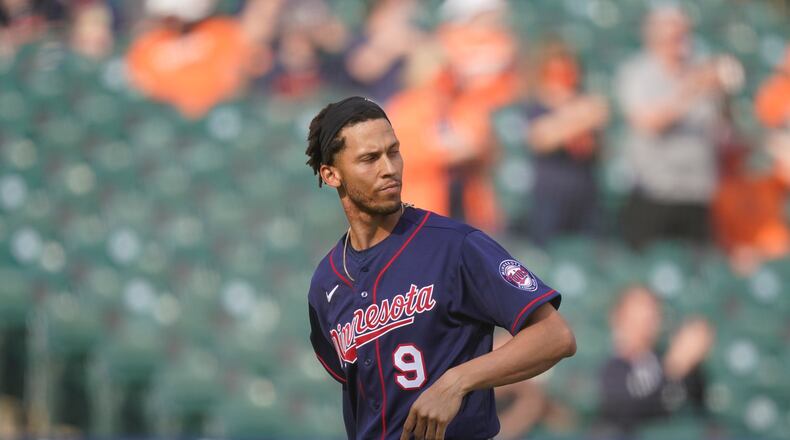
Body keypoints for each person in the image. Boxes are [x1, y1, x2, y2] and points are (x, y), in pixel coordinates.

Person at [305, 96, 576, 439]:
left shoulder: (454, 245)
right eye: (369, 159)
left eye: (393, 151)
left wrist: (456, 381)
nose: (389, 168)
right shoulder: (325, 283)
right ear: (331, 174)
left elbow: (556, 336)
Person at [615, 6, 728, 249]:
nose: (681, 41)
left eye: (684, 33)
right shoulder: (638, 73)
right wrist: (692, 88)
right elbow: (648, 122)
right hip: (655, 194)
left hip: (696, 194)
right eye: (674, 34)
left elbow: (719, 129)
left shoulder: (699, 70)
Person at [519, 38, 608, 246]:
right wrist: (578, 116)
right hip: (549, 198)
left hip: (585, 196)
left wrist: (566, 120)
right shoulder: (536, 107)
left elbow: (598, 133)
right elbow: (541, 138)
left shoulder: (585, 101)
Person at [596, 286, 714, 437]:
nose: (647, 322)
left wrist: (692, 361)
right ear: (617, 317)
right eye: (637, 316)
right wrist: (675, 367)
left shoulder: (661, 357)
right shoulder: (606, 361)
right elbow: (624, 409)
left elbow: (699, 404)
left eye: (652, 314)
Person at [712, 130, 790, 274]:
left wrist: (769, 143)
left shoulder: (767, 180)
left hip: (778, 253)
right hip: (746, 259)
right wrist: (742, 254)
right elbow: (724, 239)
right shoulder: (723, 192)